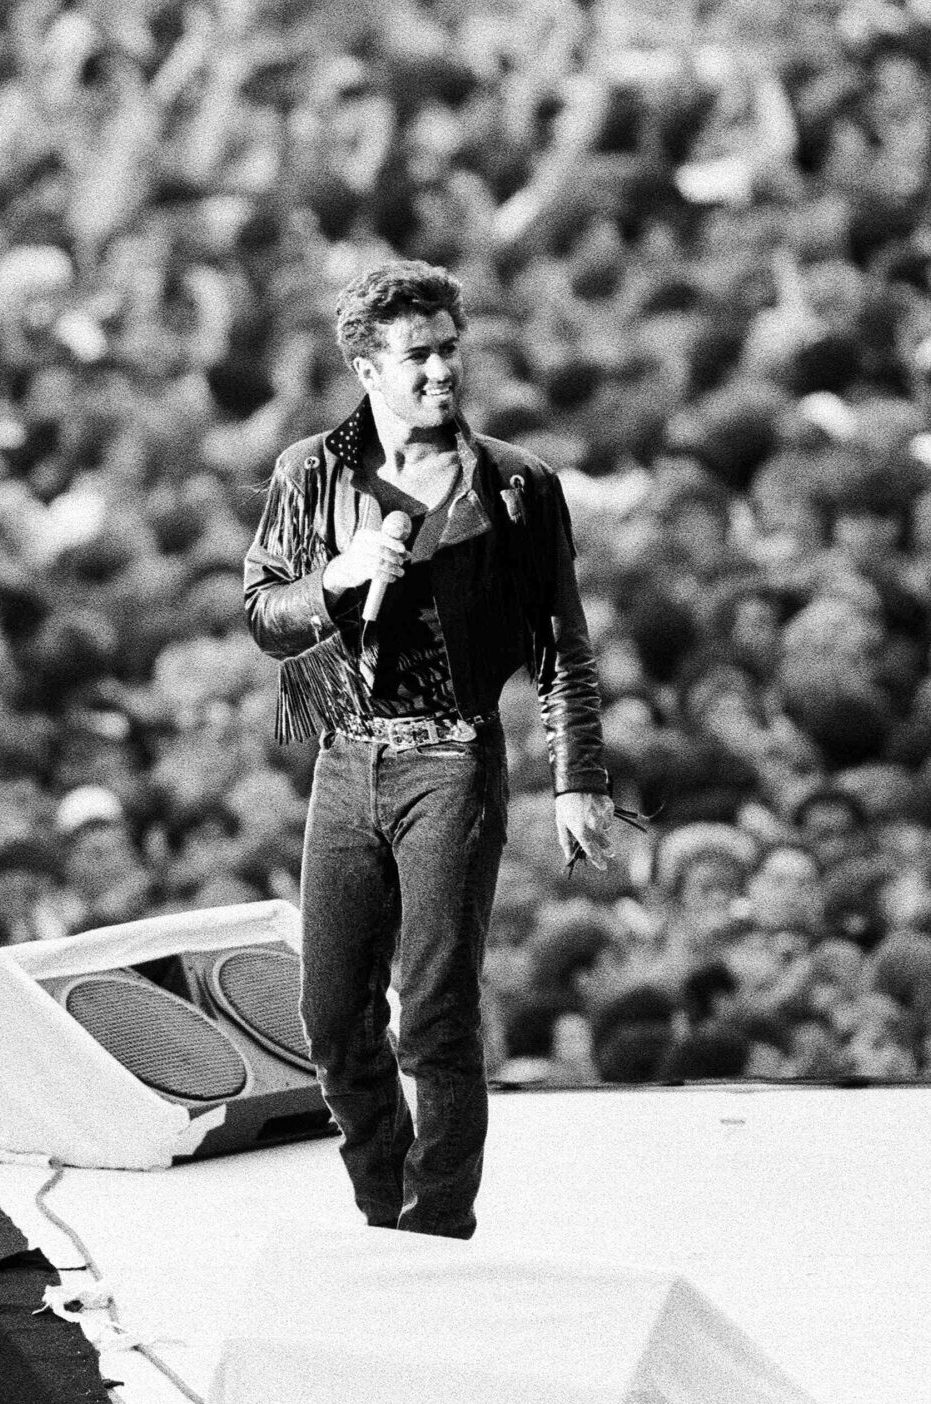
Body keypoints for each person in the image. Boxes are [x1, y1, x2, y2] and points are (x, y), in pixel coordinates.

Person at [241, 260, 614, 1238]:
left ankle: (436, 1230)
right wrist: (334, 579)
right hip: (346, 755)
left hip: (452, 758)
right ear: (367, 369)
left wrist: (577, 777)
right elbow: (265, 616)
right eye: (418, 355)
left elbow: (560, 642)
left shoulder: (517, 484)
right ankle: (384, 1214)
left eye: (451, 349)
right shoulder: (309, 472)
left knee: (436, 1010)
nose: (441, 370)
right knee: (332, 1015)